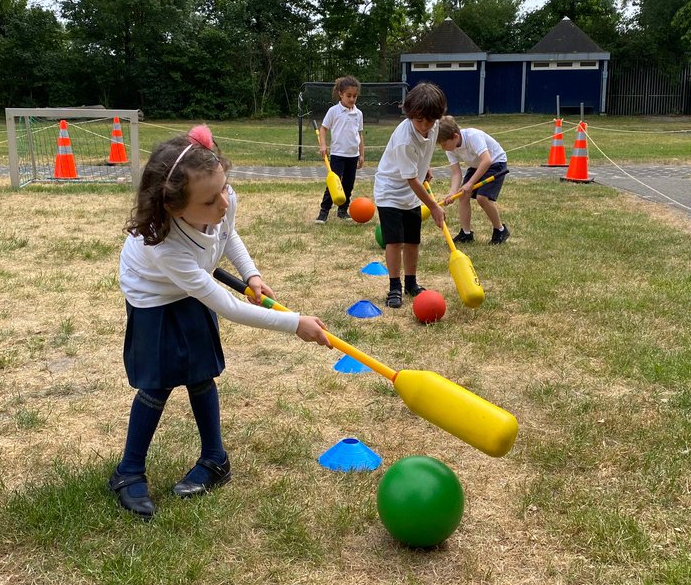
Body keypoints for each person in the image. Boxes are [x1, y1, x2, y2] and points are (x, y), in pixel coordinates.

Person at [113, 127, 330, 520]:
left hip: (192, 284)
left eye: (225, 190)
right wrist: (294, 323)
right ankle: (128, 472)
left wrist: (252, 275)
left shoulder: (219, 200)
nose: (223, 203)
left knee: (200, 373)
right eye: (211, 200)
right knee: (156, 382)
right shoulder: (162, 246)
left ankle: (215, 460)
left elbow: (229, 235)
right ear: (175, 208)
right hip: (155, 298)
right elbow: (227, 307)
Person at [373, 81, 448, 308]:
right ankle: (394, 287)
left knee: (413, 240)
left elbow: (424, 153)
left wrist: (425, 167)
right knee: (395, 242)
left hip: (411, 193)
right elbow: (411, 180)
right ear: (409, 114)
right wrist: (434, 206)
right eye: (419, 121)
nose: (424, 126)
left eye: (430, 121)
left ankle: (411, 283)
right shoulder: (405, 139)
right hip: (391, 192)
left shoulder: (433, 126)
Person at [436, 116, 510, 244]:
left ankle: (500, 230)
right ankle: (466, 234)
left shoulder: (473, 136)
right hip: (477, 165)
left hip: (495, 163)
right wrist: (452, 192)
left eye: (444, 144)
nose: (443, 148)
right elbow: (456, 173)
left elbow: (487, 160)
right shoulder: (451, 148)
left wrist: (470, 183)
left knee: (482, 198)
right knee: (463, 196)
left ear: (455, 137)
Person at [315, 75, 365, 223]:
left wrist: (361, 154)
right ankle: (323, 212)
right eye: (349, 95)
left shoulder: (358, 114)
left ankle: (343, 210)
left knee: (348, 184)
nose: (352, 99)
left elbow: (360, 135)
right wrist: (323, 145)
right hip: (338, 154)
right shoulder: (333, 111)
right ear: (341, 94)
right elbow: (323, 129)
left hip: (353, 155)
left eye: (355, 96)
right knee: (334, 183)